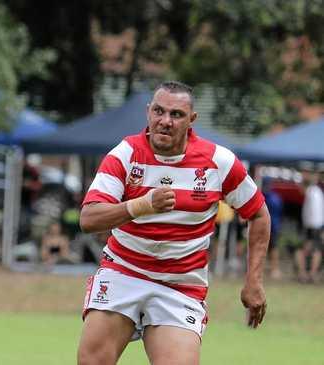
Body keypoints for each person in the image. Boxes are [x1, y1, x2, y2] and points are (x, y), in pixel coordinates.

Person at [77, 81, 270, 365]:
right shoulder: (126, 154)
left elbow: (258, 213)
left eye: (176, 114)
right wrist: (142, 205)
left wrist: (253, 281)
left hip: (180, 284)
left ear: (192, 120)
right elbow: (89, 218)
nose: (165, 121)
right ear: (148, 112)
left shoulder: (218, 161)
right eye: (159, 111)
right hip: (123, 272)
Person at [295, 169, 323, 283]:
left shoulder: (312, 192)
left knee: (309, 250)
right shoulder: (315, 192)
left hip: (312, 226)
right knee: (314, 251)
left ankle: (306, 274)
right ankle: (309, 274)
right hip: (314, 226)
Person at [262, 177, 284, 280]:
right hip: (273, 226)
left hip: (270, 226)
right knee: (271, 249)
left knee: (270, 249)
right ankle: (273, 270)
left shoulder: (265, 197)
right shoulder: (276, 197)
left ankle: (273, 270)